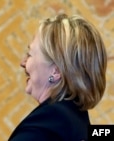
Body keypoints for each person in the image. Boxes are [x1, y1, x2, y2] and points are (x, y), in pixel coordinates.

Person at [8, 13, 107, 141]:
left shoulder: (50, 122)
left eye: (30, 54)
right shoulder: (75, 118)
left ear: (56, 72)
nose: (22, 62)